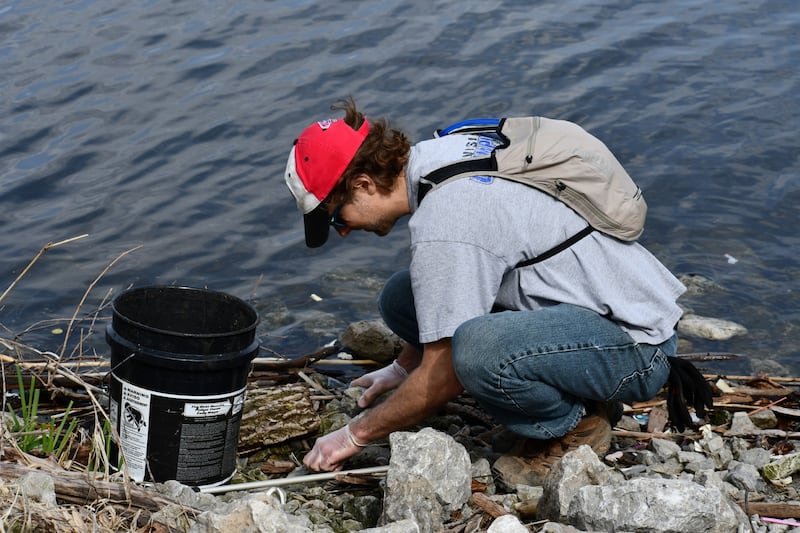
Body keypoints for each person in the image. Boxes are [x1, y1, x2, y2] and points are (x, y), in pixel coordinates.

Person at [283, 97, 711, 477]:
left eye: (336, 217)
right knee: (402, 297)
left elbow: (446, 372)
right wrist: (402, 368)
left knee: (476, 352)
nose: (340, 232)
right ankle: (569, 388)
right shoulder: (440, 154)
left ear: (363, 185)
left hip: (635, 347)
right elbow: (443, 297)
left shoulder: (447, 218)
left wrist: (354, 435)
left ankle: (575, 424)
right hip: (598, 308)